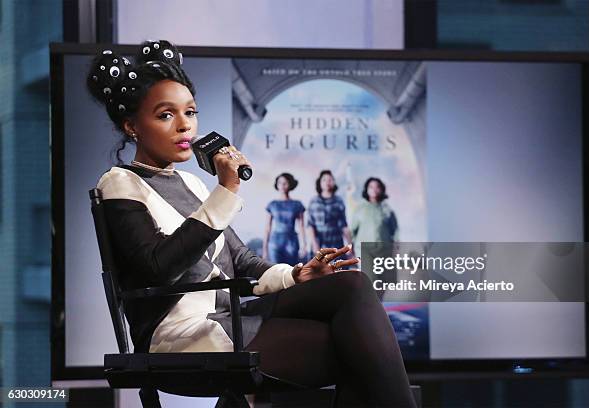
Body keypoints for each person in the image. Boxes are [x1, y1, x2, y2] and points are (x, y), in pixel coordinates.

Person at [89, 40, 417, 407]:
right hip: (182, 333)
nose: (184, 125)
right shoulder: (119, 182)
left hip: (233, 316)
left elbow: (241, 260)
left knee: (351, 285)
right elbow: (159, 267)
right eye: (166, 115)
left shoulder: (194, 184)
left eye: (191, 112)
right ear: (132, 125)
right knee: (360, 352)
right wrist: (226, 188)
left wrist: (297, 275)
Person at [262, 173, 306, 264]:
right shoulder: (272, 204)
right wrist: (265, 249)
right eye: (280, 183)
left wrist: (304, 245)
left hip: (291, 242)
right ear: (277, 185)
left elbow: (301, 226)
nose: (282, 185)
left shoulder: (297, 204)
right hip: (275, 243)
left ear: (290, 184)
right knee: (276, 270)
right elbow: (267, 228)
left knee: (291, 271)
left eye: (285, 183)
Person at [350, 177, 399, 259]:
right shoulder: (360, 209)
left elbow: (395, 232)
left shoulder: (387, 210)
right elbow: (352, 231)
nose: (374, 189)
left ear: (381, 189)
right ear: (366, 190)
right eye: (371, 187)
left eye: (377, 187)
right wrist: (351, 248)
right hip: (364, 252)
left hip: (384, 252)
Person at [307, 170, 352, 256]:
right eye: (324, 180)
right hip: (319, 244)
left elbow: (343, 225)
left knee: (338, 268)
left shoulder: (338, 201)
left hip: (336, 244)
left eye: (330, 180)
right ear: (319, 183)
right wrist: (314, 244)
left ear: (334, 182)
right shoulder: (314, 201)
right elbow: (310, 225)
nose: (327, 182)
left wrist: (350, 245)